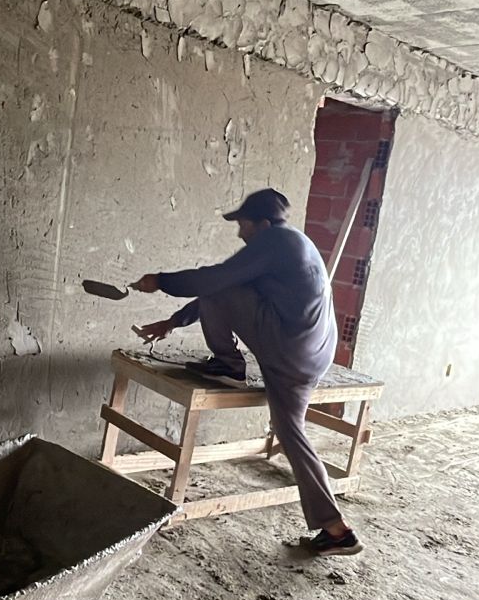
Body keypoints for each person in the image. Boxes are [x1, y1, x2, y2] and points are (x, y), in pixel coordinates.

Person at [131, 188, 361, 557]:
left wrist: (161, 280)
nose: (240, 233)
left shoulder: (275, 242)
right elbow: (229, 288)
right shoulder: (291, 246)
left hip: (288, 346)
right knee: (290, 433)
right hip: (310, 356)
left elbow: (215, 283)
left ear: (263, 224)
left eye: (243, 225)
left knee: (216, 283)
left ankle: (228, 365)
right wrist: (174, 322)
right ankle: (337, 530)